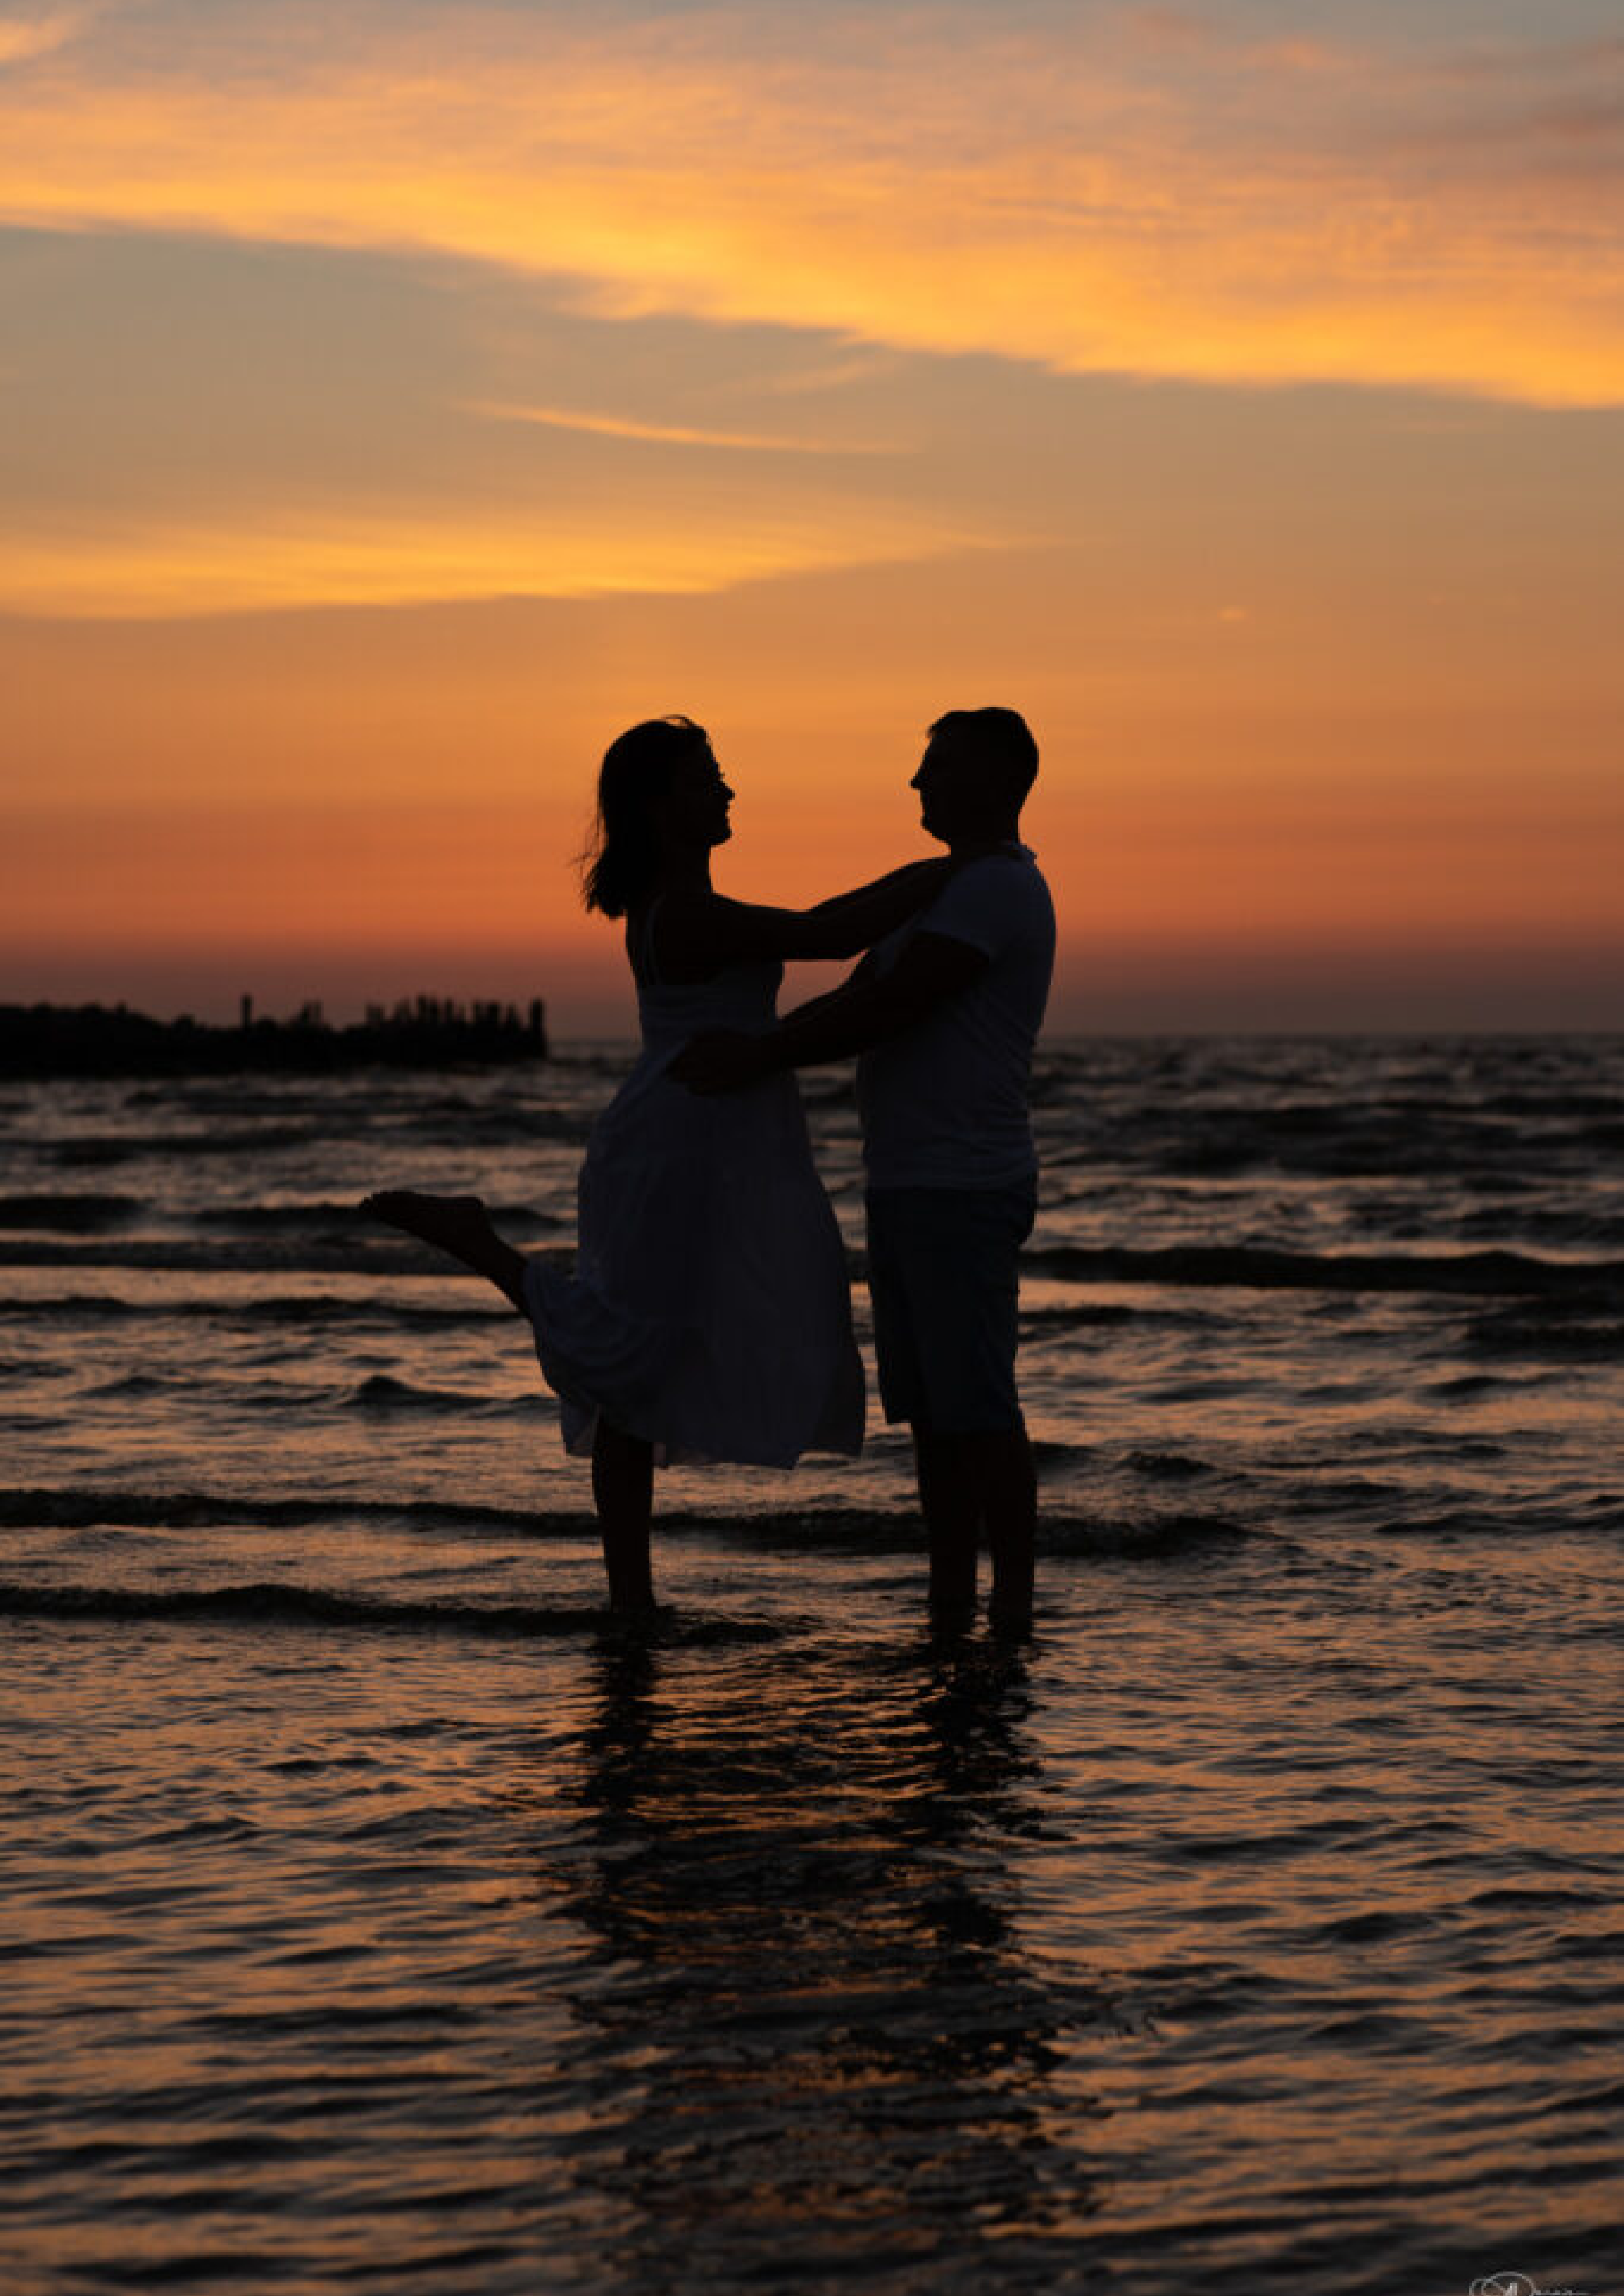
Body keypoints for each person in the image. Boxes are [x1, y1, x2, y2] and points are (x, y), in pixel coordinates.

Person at [362, 715, 958, 1620]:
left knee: (646, 1360)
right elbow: (828, 932)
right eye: (705, 778)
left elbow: (827, 953)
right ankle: (483, 1248)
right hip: (679, 1149)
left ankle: (631, 1597)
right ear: (657, 806)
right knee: (632, 1358)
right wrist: (959, 866)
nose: (727, 790)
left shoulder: (680, 908)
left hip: (700, 1144)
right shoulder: (683, 915)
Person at [673, 708, 1054, 1638]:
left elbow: (894, 1004)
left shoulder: (997, 887)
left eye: (937, 767)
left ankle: (1011, 1604)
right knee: (932, 1413)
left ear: (994, 778)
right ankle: (950, 1598)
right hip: (912, 1182)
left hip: (963, 1184)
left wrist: (760, 1056)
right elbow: (855, 992)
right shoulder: (947, 887)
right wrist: (761, 1049)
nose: (918, 783)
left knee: (979, 1405)